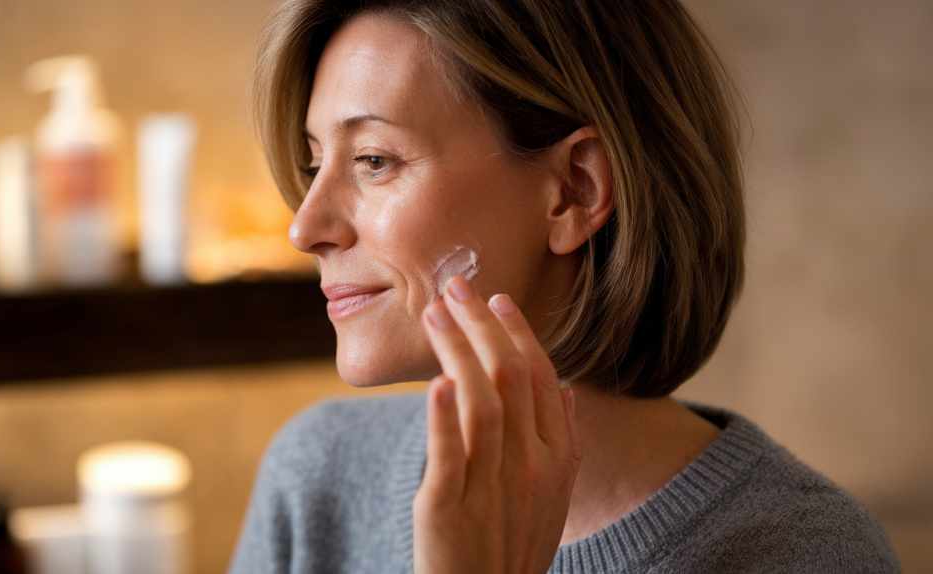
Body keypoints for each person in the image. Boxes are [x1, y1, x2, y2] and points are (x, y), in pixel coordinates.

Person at [230, 0, 901, 572]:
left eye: (374, 160)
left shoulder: (811, 553)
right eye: (314, 162)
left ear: (574, 191)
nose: (306, 227)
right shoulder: (316, 480)